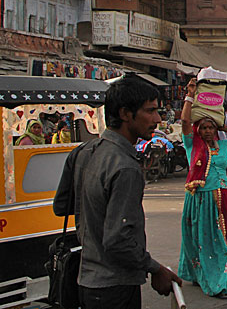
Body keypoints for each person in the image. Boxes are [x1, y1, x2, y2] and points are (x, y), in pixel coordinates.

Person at [53, 75, 180, 309]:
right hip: (114, 287)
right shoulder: (125, 167)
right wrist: (155, 268)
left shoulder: (84, 151)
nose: (157, 119)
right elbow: (118, 240)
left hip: (85, 279)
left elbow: (61, 206)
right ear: (124, 114)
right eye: (150, 111)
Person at [179, 77, 227, 298]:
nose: (209, 131)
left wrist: (225, 126)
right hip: (201, 197)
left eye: (211, 128)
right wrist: (190, 96)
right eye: (205, 127)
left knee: (222, 238)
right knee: (201, 237)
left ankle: (220, 277)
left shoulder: (222, 145)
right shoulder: (192, 144)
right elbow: (183, 122)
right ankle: (210, 278)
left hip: (224, 195)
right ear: (198, 130)